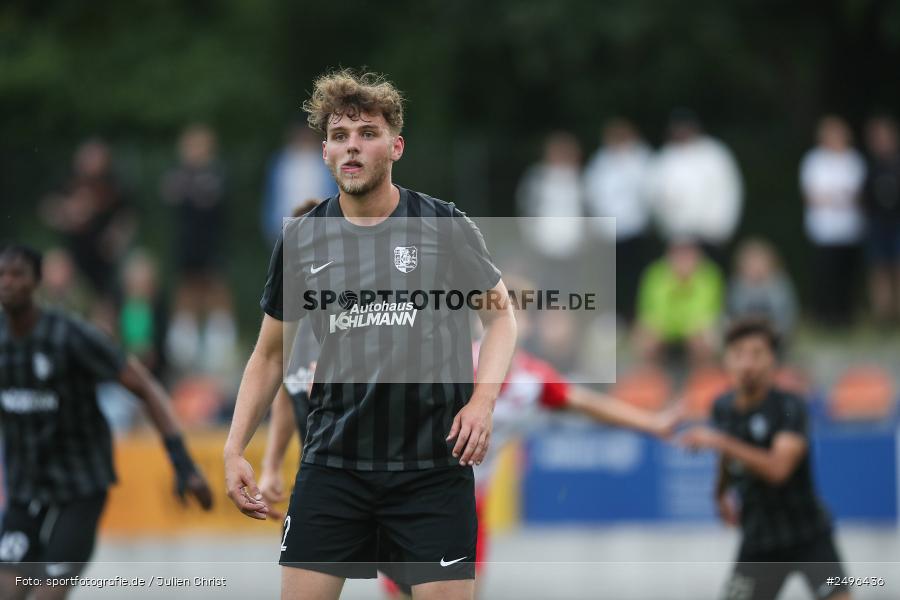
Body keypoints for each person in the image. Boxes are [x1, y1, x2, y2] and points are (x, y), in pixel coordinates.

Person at [223, 69, 517, 600]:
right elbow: (270, 356)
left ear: (395, 146)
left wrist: (482, 402)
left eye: (367, 134)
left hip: (432, 469)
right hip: (334, 466)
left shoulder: (442, 226)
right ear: (325, 153)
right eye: (340, 136)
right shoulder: (303, 240)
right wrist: (234, 447)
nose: (352, 148)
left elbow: (502, 318)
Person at [258, 277, 682, 599]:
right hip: (408, 492)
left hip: (469, 507)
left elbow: (587, 402)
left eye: (525, 313)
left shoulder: (534, 381)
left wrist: (654, 424)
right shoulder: (455, 359)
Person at [0, 244, 213, 600]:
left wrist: (183, 463)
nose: (7, 283)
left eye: (17, 274)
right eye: (1, 275)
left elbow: (145, 387)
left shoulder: (72, 336)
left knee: (45, 595)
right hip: (26, 489)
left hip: (80, 487)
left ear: (36, 281)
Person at [679, 318, 849, 600]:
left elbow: (778, 469)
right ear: (726, 361)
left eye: (757, 354)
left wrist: (720, 441)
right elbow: (727, 455)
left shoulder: (790, 407)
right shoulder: (722, 407)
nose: (747, 363)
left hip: (808, 535)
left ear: (772, 361)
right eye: (738, 354)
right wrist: (720, 493)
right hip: (759, 540)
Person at [161, 123, 236, 374]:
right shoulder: (179, 175)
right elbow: (170, 193)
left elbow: (209, 199)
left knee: (215, 291)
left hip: (212, 245)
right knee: (186, 293)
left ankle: (219, 357)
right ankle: (184, 357)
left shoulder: (217, 174)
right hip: (186, 245)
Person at [649, 109, 743, 267]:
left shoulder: (714, 153)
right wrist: (666, 226)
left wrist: (723, 227)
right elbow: (655, 197)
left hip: (711, 233)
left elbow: (729, 193)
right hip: (676, 235)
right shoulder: (664, 158)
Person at [583, 118, 655, 323]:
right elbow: (593, 194)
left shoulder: (642, 158)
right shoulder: (601, 161)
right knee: (609, 279)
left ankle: (636, 316)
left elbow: (650, 193)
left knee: (636, 278)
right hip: (608, 233)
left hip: (635, 231)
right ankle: (612, 317)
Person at [799, 115, 866, 327]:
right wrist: (839, 197)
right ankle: (823, 316)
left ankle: (845, 316)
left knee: (846, 274)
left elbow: (860, 193)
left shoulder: (854, 160)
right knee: (824, 273)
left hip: (849, 228)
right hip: (824, 229)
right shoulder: (814, 160)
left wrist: (833, 197)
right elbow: (812, 194)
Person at [634, 240, 724, 367]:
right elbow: (649, 312)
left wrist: (693, 327)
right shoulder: (655, 273)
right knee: (646, 336)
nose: (683, 260)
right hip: (666, 326)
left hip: (694, 327)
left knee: (706, 336)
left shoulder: (710, 275)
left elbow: (708, 313)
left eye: (688, 254)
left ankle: (702, 380)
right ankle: (652, 380)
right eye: (679, 254)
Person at [861, 114, 900, 324]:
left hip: (897, 223)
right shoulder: (869, 167)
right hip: (877, 224)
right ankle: (882, 318)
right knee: (879, 270)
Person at [727, 239, 798, 343]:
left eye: (760, 263)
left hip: (774, 337)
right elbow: (731, 313)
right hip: (743, 335)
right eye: (751, 263)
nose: (756, 268)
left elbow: (787, 317)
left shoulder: (780, 286)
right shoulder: (736, 285)